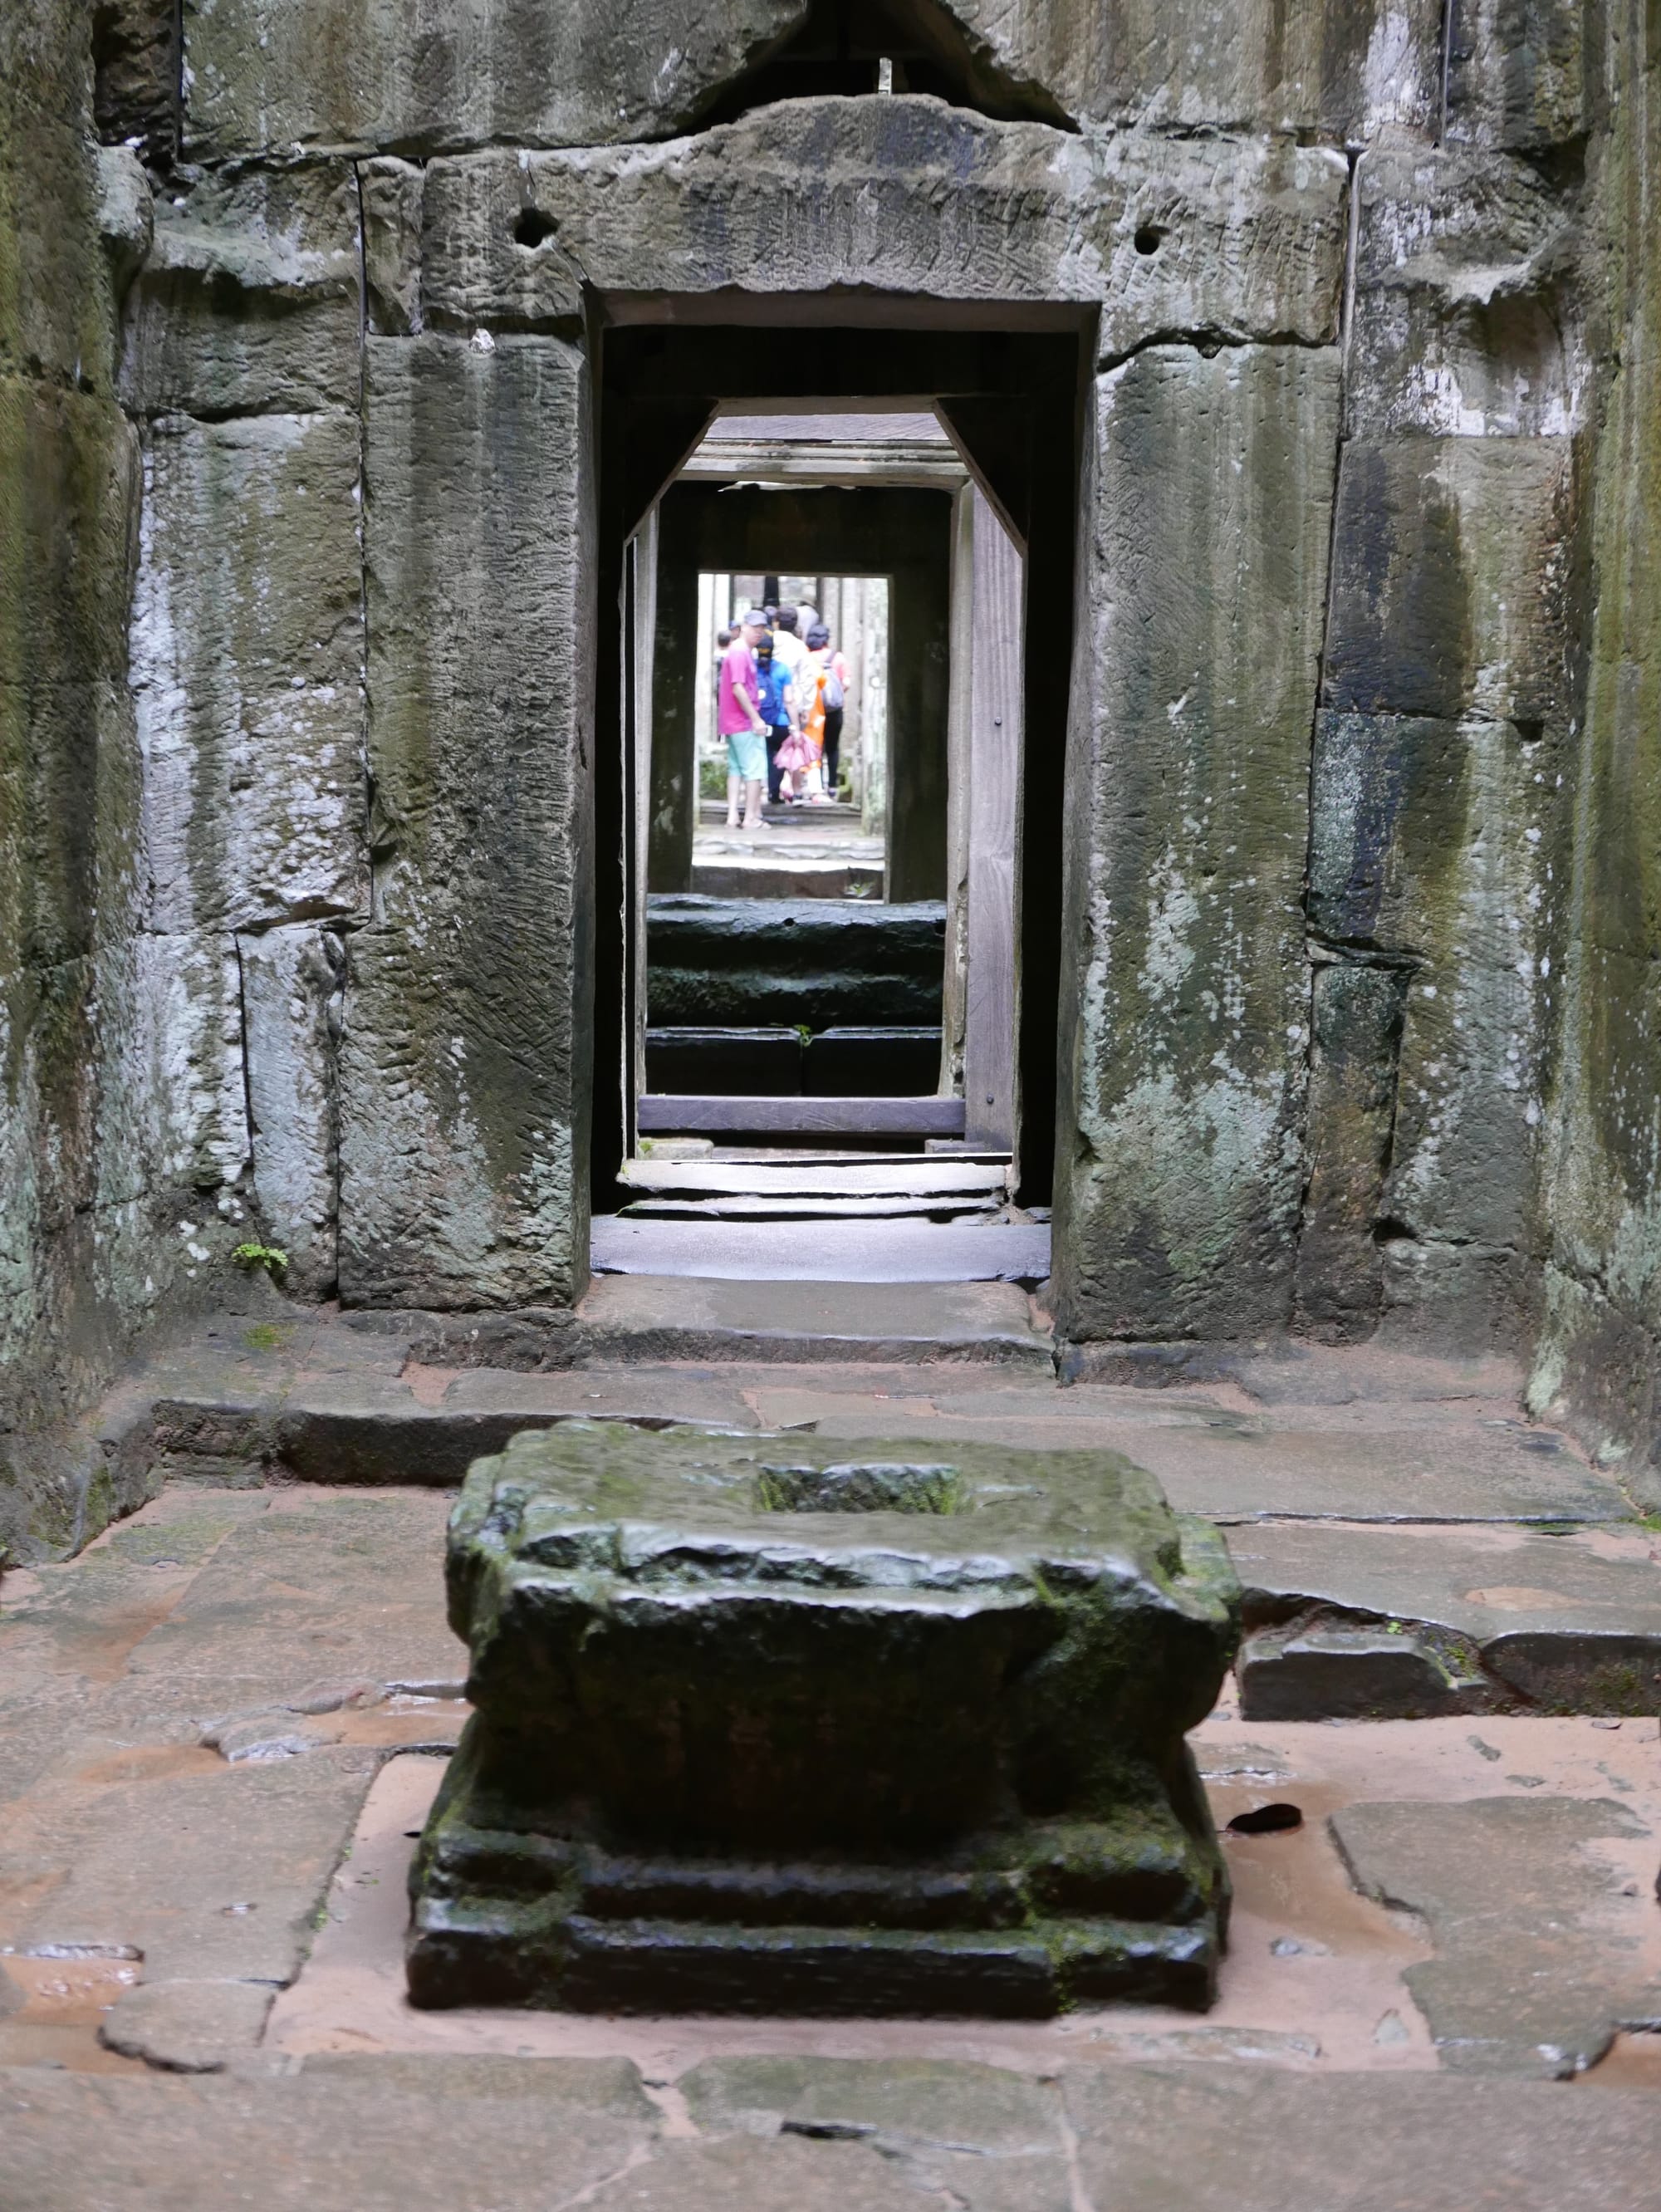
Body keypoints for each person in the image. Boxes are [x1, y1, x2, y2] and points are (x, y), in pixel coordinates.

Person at [718, 609, 770, 829]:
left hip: (733, 721)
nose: (759, 633)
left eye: (762, 629)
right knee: (754, 770)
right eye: (755, 628)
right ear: (744, 627)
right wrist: (756, 719)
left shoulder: (738, 650)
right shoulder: (740, 652)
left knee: (736, 768)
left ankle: (732, 816)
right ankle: (750, 818)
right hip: (743, 722)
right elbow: (738, 688)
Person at [798, 620, 848, 803]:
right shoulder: (838, 658)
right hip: (834, 710)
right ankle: (832, 786)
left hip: (812, 711)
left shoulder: (806, 657)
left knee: (813, 748)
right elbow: (846, 684)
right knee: (833, 747)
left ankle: (814, 786)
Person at [752, 626, 796, 805]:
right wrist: (796, 726)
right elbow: (789, 700)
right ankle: (774, 792)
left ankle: (754, 796)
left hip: (757, 720)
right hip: (780, 722)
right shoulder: (783, 670)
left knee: (757, 758)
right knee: (778, 757)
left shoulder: (751, 668)